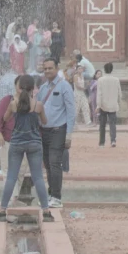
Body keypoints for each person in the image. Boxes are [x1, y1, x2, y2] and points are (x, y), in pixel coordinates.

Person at [0, 72, 56, 219]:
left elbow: (5, 117)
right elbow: (44, 122)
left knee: (11, 177)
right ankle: (46, 211)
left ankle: (2, 210)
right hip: (34, 143)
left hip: (16, 143)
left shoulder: (13, 104)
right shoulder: (38, 105)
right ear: (33, 88)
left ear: (19, 88)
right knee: (38, 177)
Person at [36, 57, 75, 200]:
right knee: (47, 164)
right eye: (45, 69)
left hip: (59, 130)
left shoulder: (65, 86)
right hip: (44, 131)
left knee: (54, 162)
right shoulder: (43, 88)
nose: (47, 71)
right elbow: (38, 108)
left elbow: (71, 111)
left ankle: (57, 197)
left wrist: (69, 134)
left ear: (57, 69)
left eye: (50, 68)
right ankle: (51, 193)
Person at [97, 62, 124, 146]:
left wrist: (98, 105)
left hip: (103, 105)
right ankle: (113, 140)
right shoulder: (116, 80)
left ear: (104, 70)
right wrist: (119, 103)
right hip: (113, 104)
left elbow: (99, 94)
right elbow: (120, 93)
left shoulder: (100, 80)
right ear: (112, 69)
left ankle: (102, 142)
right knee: (112, 124)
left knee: (102, 125)